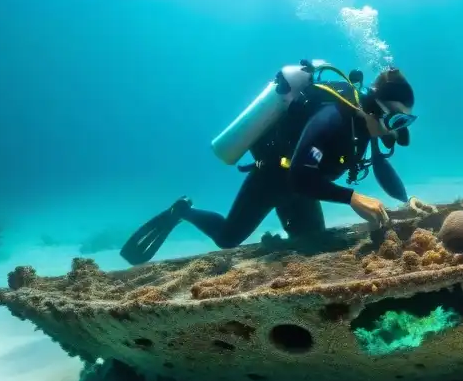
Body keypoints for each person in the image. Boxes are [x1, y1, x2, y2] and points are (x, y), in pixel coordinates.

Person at [120, 65, 417, 266]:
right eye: (398, 119)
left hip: (307, 186)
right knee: (227, 238)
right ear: (378, 108)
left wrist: (407, 202)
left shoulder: (366, 125)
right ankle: (183, 210)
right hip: (275, 178)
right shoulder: (334, 118)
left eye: (405, 121)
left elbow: (380, 166)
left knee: (312, 243)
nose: (398, 130)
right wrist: (351, 197)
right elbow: (299, 176)